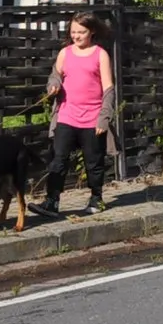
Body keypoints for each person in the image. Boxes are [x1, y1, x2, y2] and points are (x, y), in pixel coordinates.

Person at [41, 11, 116, 215]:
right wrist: (54, 85)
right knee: (58, 158)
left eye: (81, 32)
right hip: (66, 114)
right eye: (73, 32)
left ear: (91, 31)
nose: (76, 36)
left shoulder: (100, 54)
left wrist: (104, 117)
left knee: (93, 161)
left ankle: (96, 198)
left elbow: (109, 88)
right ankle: (51, 201)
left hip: (92, 118)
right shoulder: (65, 53)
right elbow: (55, 76)